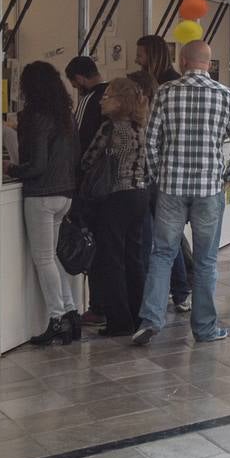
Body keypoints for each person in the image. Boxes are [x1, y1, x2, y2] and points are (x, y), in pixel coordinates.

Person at [132, 40, 230, 346]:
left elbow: (150, 141)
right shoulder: (226, 95)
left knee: (162, 254)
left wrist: (158, 174)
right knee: (207, 261)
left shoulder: (166, 93)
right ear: (208, 64)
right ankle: (205, 327)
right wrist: (228, 176)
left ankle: (151, 319)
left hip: (171, 188)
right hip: (208, 190)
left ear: (182, 61)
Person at [6, 61, 80, 346]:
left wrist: (11, 169)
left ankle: (57, 317)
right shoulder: (65, 115)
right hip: (65, 194)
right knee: (53, 256)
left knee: (44, 259)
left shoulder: (35, 116)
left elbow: (36, 165)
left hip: (41, 195)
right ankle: (71, 312)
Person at [80, 78, 149, 336]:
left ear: (120, 100)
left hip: (115, 197)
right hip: (138, 195)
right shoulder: (139, 127)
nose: (101, 99)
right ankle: (137, 314)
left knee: (111, 260)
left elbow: (88, 160)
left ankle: (119, 321)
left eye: (107, 96)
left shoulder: (110, 128)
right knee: (133, 258)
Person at [134, 34, 192, 310]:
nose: (137, 60)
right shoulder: (166, 83)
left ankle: (175, 291)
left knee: (165, 237)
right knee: (168, 237)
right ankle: (179, 290)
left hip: (162, 175)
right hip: (164, 173)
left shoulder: (167, 87)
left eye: (141, 55)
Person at [64, 55, 108, 326]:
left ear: (78, 80)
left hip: (91, 187)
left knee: (95, 247)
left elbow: (78, 143)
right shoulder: (112, 95)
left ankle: (97, 305)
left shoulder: (88, 101)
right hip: (115, 188)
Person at [64, 56, 108, 160]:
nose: (78, 91)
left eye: (76, 86)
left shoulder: (89, 99)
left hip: (91, 165)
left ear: (79, 78)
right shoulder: (113, 93)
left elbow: (77, 137)